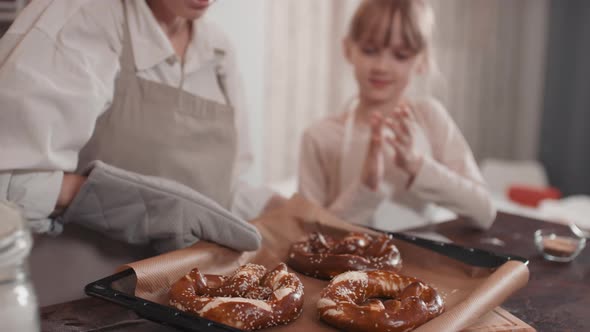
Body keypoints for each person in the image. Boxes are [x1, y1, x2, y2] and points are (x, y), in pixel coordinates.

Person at [0, 0, 279, 305]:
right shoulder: (81, 16)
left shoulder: (217, 49)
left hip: (176, 308)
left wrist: (288, 209)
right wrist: (122, 202)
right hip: (70, 305)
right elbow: (9, 185)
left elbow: (227, 186)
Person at [298, 0, 496, 232]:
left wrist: (417, 165)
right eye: (370, 50)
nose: (382, 66)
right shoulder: (319, 137)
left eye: (400, 55)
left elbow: (484, 211)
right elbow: (307, 236)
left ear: (421, 60)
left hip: (422, 266)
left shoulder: (430, 118)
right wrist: (365, 187)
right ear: (347, 49)